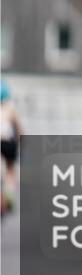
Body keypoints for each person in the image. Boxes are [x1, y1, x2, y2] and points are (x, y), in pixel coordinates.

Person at [1, 80, 22, 215]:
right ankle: (8, 193)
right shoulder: (9, 108)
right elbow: (19, 129)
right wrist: (20, 140)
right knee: (10, 169)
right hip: (8, 142)